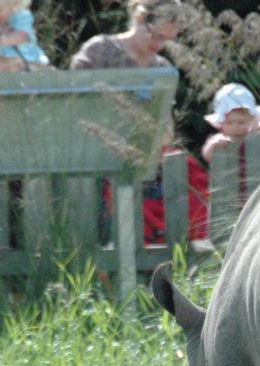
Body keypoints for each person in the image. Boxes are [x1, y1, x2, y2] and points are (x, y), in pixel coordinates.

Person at [70, 0, 209, 247]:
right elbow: (73, 101)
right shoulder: (100, 50)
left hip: (146, 162)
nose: (159, 45)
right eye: (156, 35)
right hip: (97, 160)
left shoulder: (162, 68)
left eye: (167, 39)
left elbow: (167, 130)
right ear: (139, 18)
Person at [0, 0, 50, 73]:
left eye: (0, 9)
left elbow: (22, 36)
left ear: (14, 4)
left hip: (29, 59)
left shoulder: (21, 16)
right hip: (3, 65)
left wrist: (0, 41)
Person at [200, 82, 260, 165]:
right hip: (229, 176)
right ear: (221, 123)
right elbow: (207, 156)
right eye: (229, 123)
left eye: (241, 122)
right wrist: (212, 146)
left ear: (250, 120)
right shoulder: (220, 139)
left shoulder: (253, 135)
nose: (235, 127)